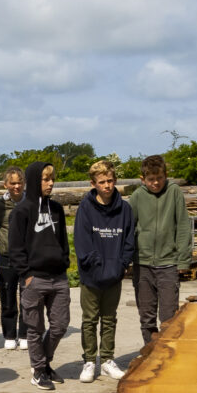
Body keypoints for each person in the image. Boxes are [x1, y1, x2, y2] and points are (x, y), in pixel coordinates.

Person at [7, 160, 71, 389]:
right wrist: (26, 275)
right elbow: (14, 248)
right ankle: (38, 370)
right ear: (35, 180)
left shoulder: (57, 209)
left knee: (60, 325)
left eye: (52, 178)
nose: (51, 183)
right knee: (35, 328)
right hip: (35, 278)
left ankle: (44, 364)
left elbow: (63, 241)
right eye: (46, 179)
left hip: (59, 277)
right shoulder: (22, 211)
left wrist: (65, 262)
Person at [73, 160, 137, 381]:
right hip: (91, 276)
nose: (107, 185)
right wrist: (97, 264)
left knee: (110, 318)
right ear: (93, 183)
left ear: (115, 181)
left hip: (114, 274)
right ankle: (90, 361)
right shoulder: (85, 208)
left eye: (110, 181)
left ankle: (107, 359)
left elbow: (129, 241)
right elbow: (82, 242)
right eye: (102, 182)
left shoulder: (125, 209)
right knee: (90, 319)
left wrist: (121, 265)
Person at [131, 155, 192, 345]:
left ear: (165, 175)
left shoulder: (174, 193)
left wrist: (183, 259)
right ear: (143, 179)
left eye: (159, 178)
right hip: (143, 265)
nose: (155, 183)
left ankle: (166, 354)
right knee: (146, 316)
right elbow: (128, 228)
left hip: (168, 264)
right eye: (150, 180)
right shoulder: (137, 197)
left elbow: (182, 226)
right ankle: (150, 352)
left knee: (168, 316)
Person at [0, 166, 26, 348]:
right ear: (5, 185)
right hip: (7, 259)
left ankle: (25, 334)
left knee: (28, 299)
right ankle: (9, 335)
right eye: (13, 183)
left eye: (19, 182)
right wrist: (1, 242)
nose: (16, 186)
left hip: (27, 259)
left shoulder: (30, 204)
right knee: (8, 299)